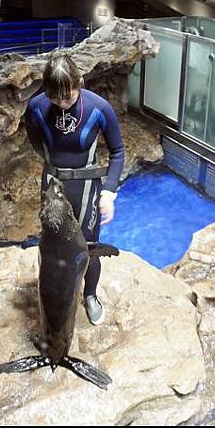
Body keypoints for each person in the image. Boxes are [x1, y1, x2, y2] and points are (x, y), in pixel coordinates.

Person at [25, 51, 125, 326]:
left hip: (86, 188)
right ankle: (53, 299)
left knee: (87, 247)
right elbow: (32, 135)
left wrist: (109, 193)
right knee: (52, 249)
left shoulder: (98, 108)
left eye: (68, 97)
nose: (63, 104)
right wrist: (50, 161)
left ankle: (90, 295)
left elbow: (117, 151)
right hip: (52, 185)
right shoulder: (36, 107)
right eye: (55, 99)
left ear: (79, 83)